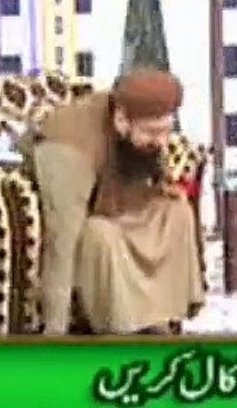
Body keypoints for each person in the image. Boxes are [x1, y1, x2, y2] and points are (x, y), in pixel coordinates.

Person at [25, 68, 206, 335]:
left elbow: (145, 173)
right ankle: (122, 326)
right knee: (102, 234)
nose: (161, 142)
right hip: (83, 230)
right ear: (121, 120)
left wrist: (162, 187)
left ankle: (159, 317)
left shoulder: (137, 133)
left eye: (166, 131)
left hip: (113, 209)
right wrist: (55, 332)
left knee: (176, 212)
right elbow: (60, 245)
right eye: (152, 132)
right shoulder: (69, 150)